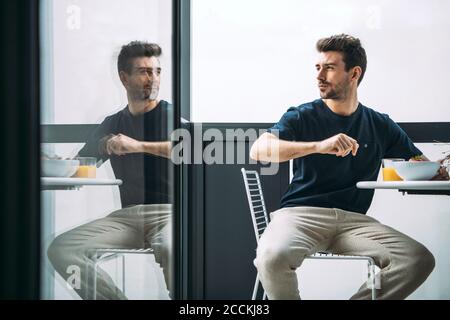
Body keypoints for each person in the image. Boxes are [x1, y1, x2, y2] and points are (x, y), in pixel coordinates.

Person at [250, 34, 448, 300]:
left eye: (329, 68)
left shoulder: (380, 124)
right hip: (301, 216)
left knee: (417, 259)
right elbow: (259, 150)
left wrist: (439, 171)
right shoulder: (301, 115)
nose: (319, 75)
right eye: (318, 68)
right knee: (272, 257)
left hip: (355, 223)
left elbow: (421, 166)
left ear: (354, 73)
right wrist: (319, 145)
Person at [47, 41, 174, 300]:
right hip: (127, 218)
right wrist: (49, 161)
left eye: (157, 71)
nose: (153, 79)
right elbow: (82, 167)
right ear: (123, 78)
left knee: (172, 247)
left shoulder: (170, 115)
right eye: (144, 71)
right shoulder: (112, 123)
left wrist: (136, 145)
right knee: (62, 248)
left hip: (171, 214)